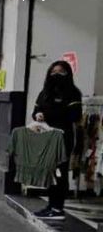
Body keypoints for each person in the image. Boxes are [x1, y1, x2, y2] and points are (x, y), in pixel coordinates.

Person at [32, 61, 82, 220]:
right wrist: (38, 115)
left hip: (62, 137)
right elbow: (35, 111)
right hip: (46, 137)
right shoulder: (45, 93)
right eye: (53, 72)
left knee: (60, 172)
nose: (56, 75)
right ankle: (51, 205)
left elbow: (74, 116)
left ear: (67, 74)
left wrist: (53, 113)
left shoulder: (73, 93)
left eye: (61, 72)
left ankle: (58, 208)